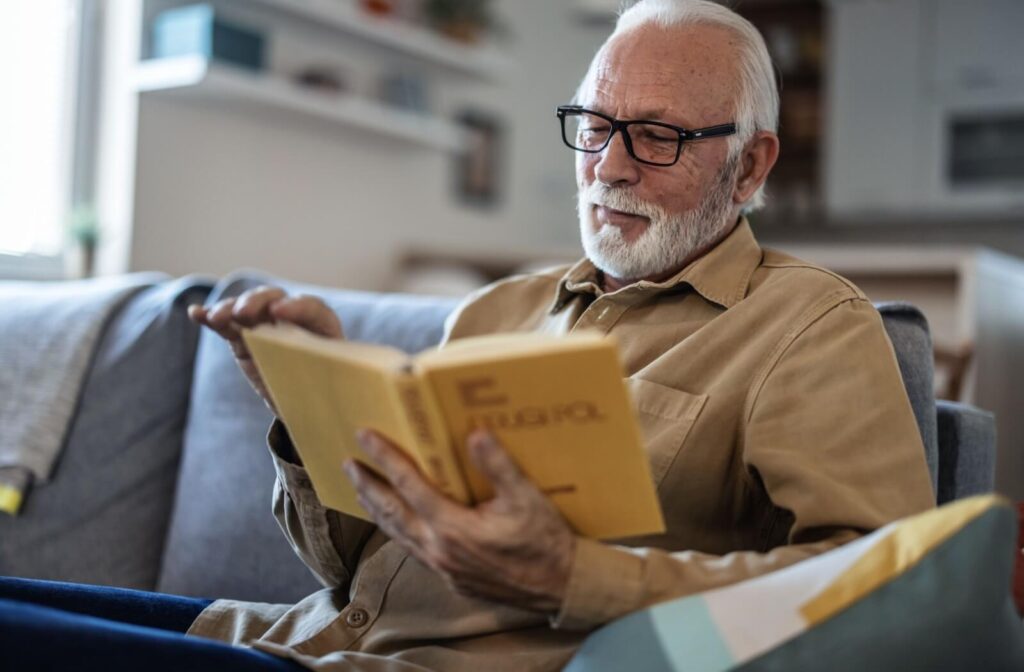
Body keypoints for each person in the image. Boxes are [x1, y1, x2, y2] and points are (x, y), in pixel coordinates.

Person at [0, 1, 934, 670]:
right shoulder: (494, 311)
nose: (609, 166)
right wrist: (311, 410)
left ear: (750, 161)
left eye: (655, 136)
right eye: (595, 126)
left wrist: (574, 576)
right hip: (284, 634)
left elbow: (881, 595)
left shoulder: (810, 328)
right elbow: (352, 570)